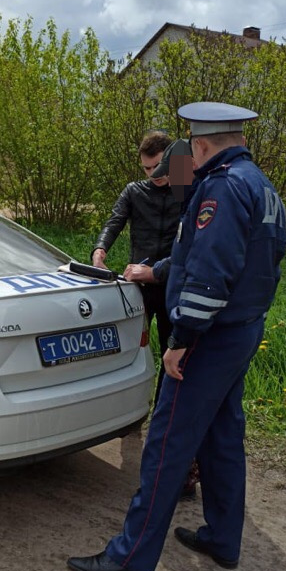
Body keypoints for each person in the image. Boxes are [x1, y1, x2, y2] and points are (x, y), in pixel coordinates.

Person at [68, 101, 286, 571]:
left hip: (210, 336)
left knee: (166, 442)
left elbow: (210, 275)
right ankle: (223, 537)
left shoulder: (221, 189)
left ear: (201, 145)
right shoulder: (262, 186)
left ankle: (131, 555)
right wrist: (162, 271)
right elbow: (238, 258)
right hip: (244, 329)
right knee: (222, 435)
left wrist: (182, 338)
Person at [92, 131, 182, 404]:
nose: (153, 173)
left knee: (171, 349)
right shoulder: (134, 190)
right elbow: (114, 221)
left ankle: (162, 410)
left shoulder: (188, 191)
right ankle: (127, 409)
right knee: (130, 349)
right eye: (146, 168)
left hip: (172, 284)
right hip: (139, 286)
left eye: (158, 166)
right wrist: (99, 250)